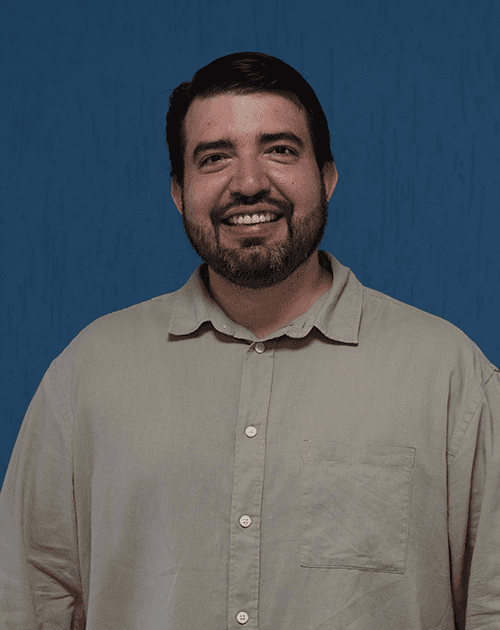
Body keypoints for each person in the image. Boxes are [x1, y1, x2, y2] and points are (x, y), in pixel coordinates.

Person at [0, 52, 499, 630]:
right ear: (179, 192)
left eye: (279, 150)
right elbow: (27, 601)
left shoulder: (447, 375)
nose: (249, 183)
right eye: (214, 158)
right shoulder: (88, 374)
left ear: (328, 177)